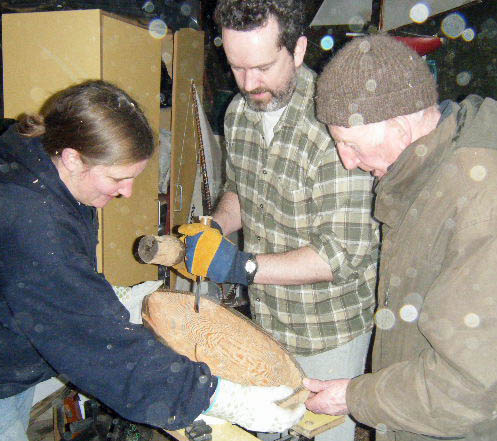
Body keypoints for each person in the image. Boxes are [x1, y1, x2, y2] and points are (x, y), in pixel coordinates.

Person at [0, 80, 305, 441]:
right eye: (119, 178)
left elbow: (54, 280)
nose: (127, 192)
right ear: (72, 157)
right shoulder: (33, 214)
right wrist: (220, 397)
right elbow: (98, 348)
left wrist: (100, 298)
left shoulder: (45, 167)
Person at [178, 2, 379, 441]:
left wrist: (242, 267)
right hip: (267, 321)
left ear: (299, 48)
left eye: (264, 67)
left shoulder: (336, 125)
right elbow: (239, 191)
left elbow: (339, 256)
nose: (250, 84)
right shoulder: (238, 113)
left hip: (329, 329)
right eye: (236, 67)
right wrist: (214, 228)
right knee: (268, 430)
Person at [305, 34, 497, 441]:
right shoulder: (423, 175)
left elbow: (466, 390)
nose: (347, 162)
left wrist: (356, 397)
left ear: (399, 125)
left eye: (350, 144)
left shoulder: (480, 197)